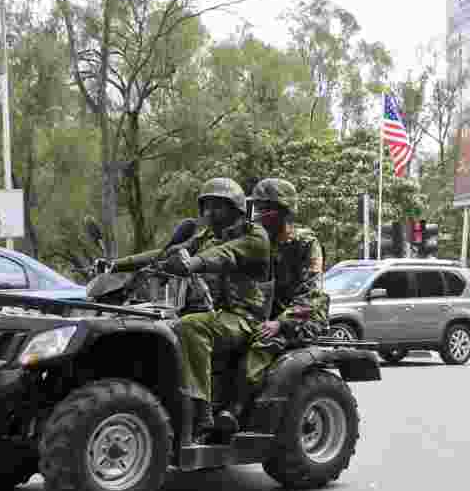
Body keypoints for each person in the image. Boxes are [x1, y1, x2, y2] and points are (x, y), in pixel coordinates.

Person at [109, 177, 270, 443]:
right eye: (206, 207)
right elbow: (167, 253)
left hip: (244, 318)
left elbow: (225, 255)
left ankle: (200, 412)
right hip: (214, 314)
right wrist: (117, 265)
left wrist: (193, 263)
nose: (209, 213)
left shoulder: (253, 236)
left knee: (191, 326)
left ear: (236, 209)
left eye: (218, 206)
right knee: (156, 326)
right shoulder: (206, 236)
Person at [244, 178, 330, 389]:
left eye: (267, 208)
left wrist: (281, 323)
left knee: (261, 347)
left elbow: (312, 294)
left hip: (304, 317)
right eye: (258, 208)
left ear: (284, 211)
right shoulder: (258, 241)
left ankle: (239, 406)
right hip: (266, 316)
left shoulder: (305, 244)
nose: (260, 214)